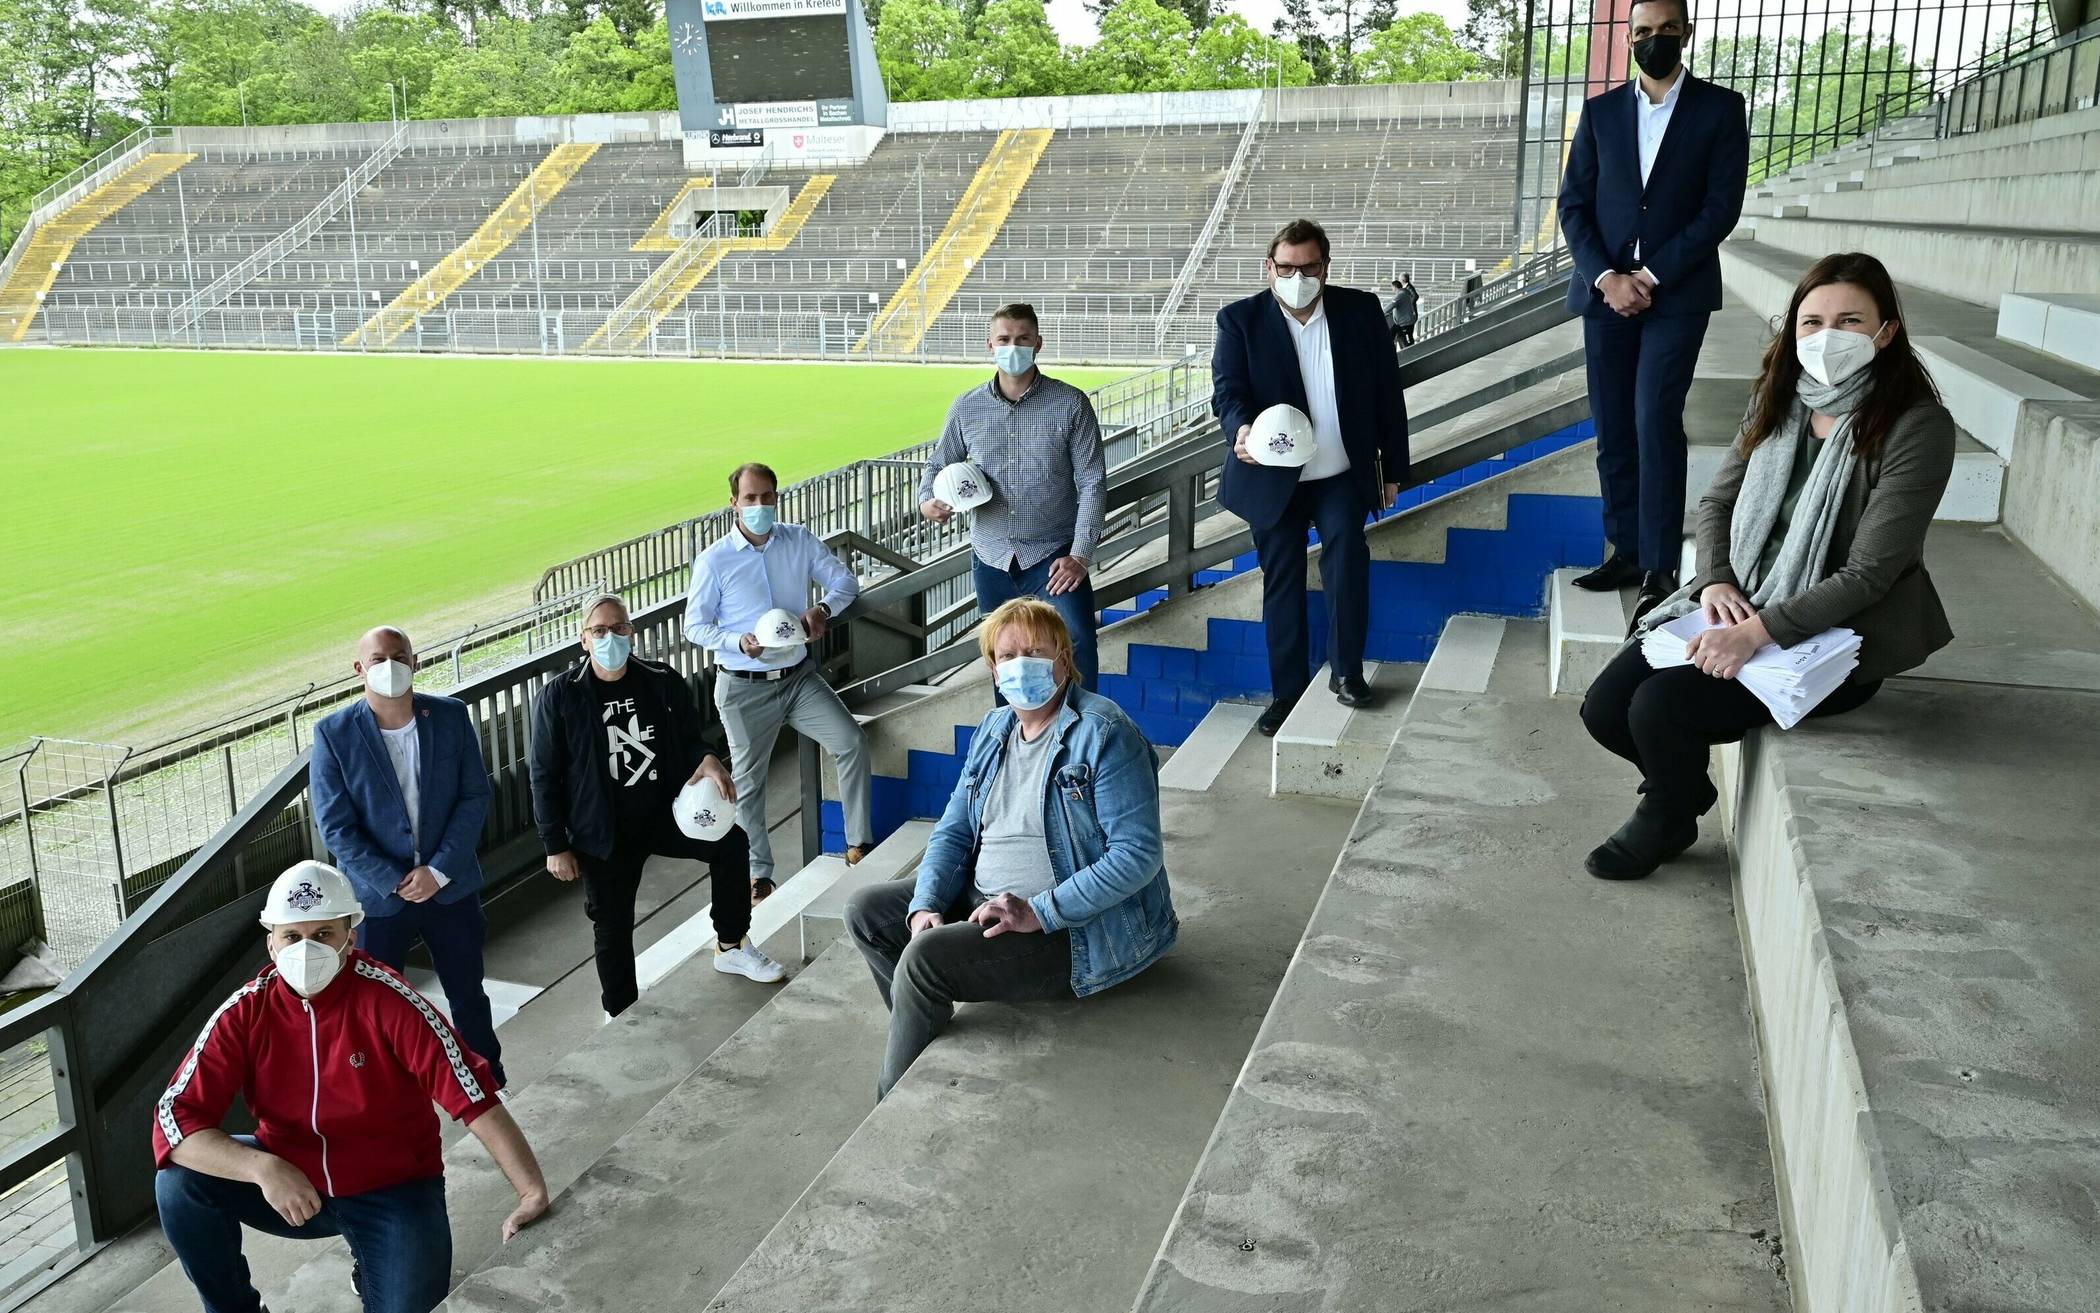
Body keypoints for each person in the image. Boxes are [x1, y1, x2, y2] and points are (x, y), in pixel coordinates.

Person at [1579, 252, 1955, 881]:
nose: (1827, 337)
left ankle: (1668, 814)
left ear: (1885, 332)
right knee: (1604, 709)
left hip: (1837, 637)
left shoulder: (1916, 426)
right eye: (1812, 321)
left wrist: (1755, 633)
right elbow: (1718, 501)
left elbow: (1869, 576)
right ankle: (1686, 794)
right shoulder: (1777, 400)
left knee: (1657, 709)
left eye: (1850, 320)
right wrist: (1718, 579)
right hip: (1742, 595)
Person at [153, 861, 549, 1313]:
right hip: (295, 1183)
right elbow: (175, 1120)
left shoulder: (391, 1002)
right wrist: (262, 1169)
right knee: (179, 1184)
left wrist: (531, 1191)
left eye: (323, 934)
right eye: (291, 936)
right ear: (271, 944)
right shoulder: (245, 1012)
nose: (306, 949)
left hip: (393, 1190)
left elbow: (473, 1096)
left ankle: (374, 1260)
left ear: (350, 937)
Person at [843, 598, 1176, 1100]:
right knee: (867, 910)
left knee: (924, 960)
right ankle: (924, 1031)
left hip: (1068, 929)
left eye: (1036, 651)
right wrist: (927, 903)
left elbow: (1137, 856)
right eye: (1008, 654)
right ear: (992, 668)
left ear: (1064, 659)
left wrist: (1040, 912)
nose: (1021, 664)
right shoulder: (995, 729)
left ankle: (895, 1099)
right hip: (986, 901)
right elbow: (954, 829)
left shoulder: (1105, 734)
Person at [1557, 0, 1750, 623]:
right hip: (1606, 295)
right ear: (1628, 38)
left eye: (1667, 30)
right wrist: (1607, 276)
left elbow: (1721, 207)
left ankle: (1661, 565)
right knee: (1613, 425)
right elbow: (1573, 206)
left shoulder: (1720, 109)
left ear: (1686, 33)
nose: (1654, 40)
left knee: (1653, 419)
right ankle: (1627, 549)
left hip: (1677, 294)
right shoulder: (1600, 113)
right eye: (1643, 32)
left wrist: (1651, 273)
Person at [531, 594, 787, 1007]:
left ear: (632, 632)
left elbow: (690, 740)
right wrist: (555, 845)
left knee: (732, 844)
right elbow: (543, 774)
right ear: (584, 640)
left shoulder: (661, 680)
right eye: (599, 630)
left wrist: (707, 760)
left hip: (664, 813)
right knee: (612, 925)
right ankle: (621, 1008)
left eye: (619, 628)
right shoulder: (561, 697)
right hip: (603, 829)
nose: (610, 637)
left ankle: (731, 945)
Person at [1212, 218, 1411, 737]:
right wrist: (1242, 430)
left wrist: (1394, 468)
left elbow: (1388, 393)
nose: (1297, 276)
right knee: (1282, 581)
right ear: (1269, 267)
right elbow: (1228, 391)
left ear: (1325, 266)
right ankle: (1287, 693)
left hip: (1341, 472)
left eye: (1308, 267)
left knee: (1347, 560)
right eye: (1286, 267)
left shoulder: (1361, 310)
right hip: (1272, 476)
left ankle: (1347, 672)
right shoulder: (1240, 320)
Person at [310, 626, 504, 1088]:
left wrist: (438, 871)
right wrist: (395, 880)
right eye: (378, 659)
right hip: (379, 903)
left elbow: (474, 796)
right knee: (376, 1005)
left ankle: (488, 1085)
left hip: (450, 890)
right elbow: (336, 827)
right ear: (359, 669)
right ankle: (385, 1094)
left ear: (416, 662)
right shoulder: (334, 734)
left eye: (399, 656)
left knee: (468, 995)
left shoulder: (451, 716)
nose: (390, 666)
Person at [684, 462, 874, 901]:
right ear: (733, 503)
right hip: (743, 686)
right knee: (749, 783)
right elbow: (694, 626)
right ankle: (759, 873)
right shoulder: (715, 560)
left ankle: (858, 844)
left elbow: (845, 580)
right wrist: (736, 640)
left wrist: (823, 609)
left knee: (849, 740)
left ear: (776, 498)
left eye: (767, 496)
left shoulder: (799, 541)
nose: (760, 505)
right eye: (750, 498)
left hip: (798, 678)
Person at [919, 303, 1108, 694]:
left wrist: (1081, 555)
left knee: (1077, 648)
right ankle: (1009, 738)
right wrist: (926, 499)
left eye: (1023, 339)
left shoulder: (1070, 404)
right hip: (991, 558)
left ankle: (1084, 735)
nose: (1013, 347)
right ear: (990, 344)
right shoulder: (966, 407)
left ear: (1038, 343)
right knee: (1003, 658)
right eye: (1004, 339)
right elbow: (938, 464)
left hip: (1054, 557)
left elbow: (1092, 480)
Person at [1386, 275, 1420, 347]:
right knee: (1393, 335)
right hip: (1401, 322)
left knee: (1407, 343)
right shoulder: (1405, 293)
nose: (1392, 289)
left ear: (1395, 287)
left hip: (1405, 323)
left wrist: (1381, 312)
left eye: (1392, 288)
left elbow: (1391, 305)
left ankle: (1409, 354)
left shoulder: (1401, 295)